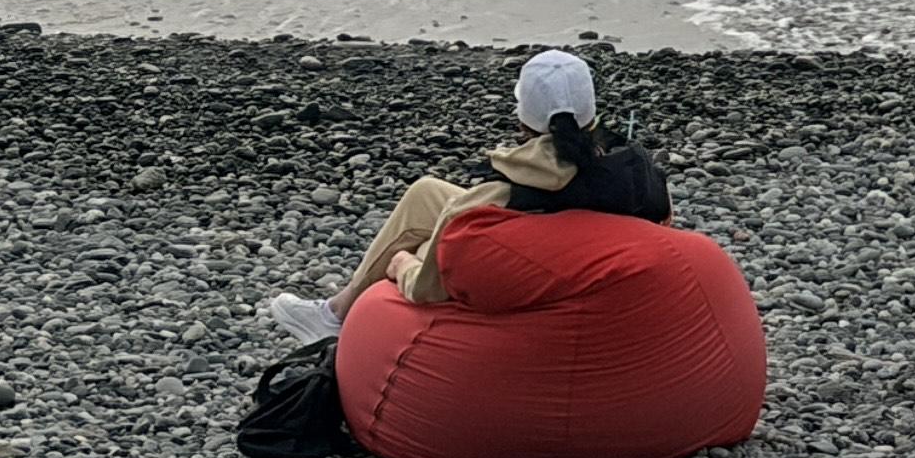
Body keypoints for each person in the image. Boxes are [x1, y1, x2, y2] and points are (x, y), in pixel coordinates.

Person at [260, 46, 670, 341]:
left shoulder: (495, 197)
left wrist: (403, 264)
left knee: (425, 247)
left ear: (522, 121)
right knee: (427, 193)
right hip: (594, 276)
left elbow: (427, 287)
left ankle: (336, 315)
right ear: (592, 114)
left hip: (526, 280)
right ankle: (336, 308)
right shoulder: (637, 175)